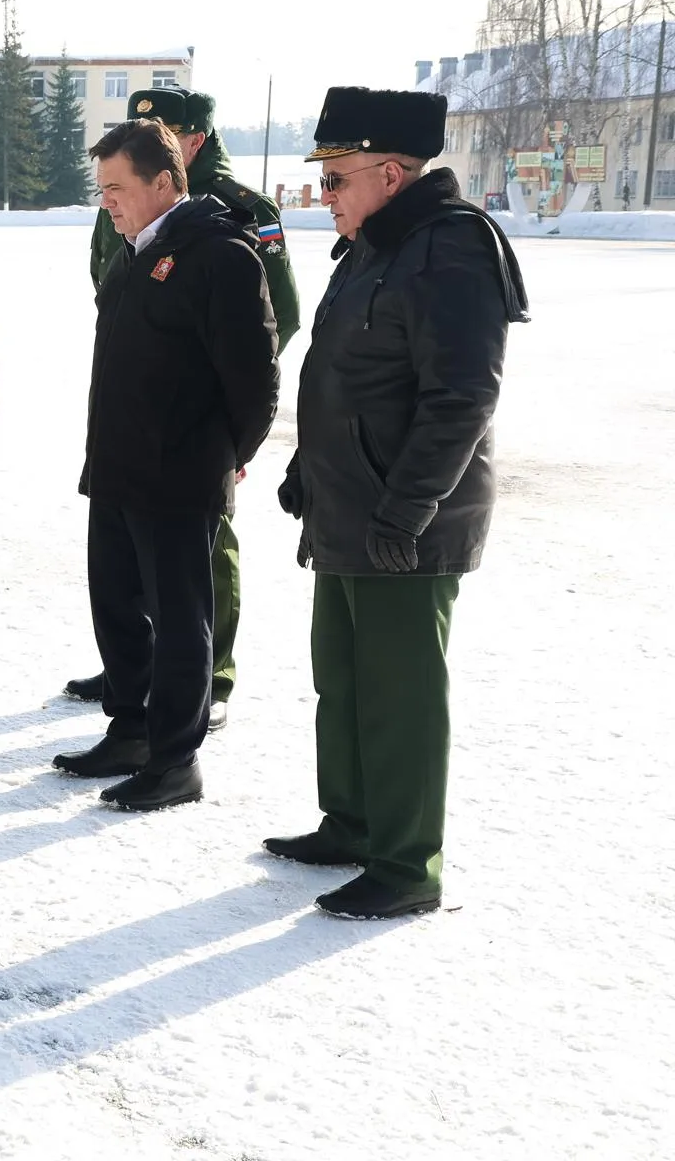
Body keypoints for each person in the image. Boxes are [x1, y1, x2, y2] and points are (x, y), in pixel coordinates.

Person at [266, 87, 528, 918]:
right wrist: (309, 462)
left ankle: (407, 863)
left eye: (336, 178)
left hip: (405, 522)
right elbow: (345, 374)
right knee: (344, 681)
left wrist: (407, 510)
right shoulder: (375, 246)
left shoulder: (450, 247)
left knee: (400, 697)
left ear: (390, 173)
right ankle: (352, 824)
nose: (324, 196)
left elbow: (462, 395)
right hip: (348, 507)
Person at [51, 119, 278, 810]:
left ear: (163, 182)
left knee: (181, 624)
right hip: (117, 468)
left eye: (117, 188)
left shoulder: (220, 255)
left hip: (178, 478)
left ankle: (175, 760)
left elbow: (256, 383)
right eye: (101, 189)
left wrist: (227, 456)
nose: (107, 203)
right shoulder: (136, 252)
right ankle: (130, 730)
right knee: (117, 608)